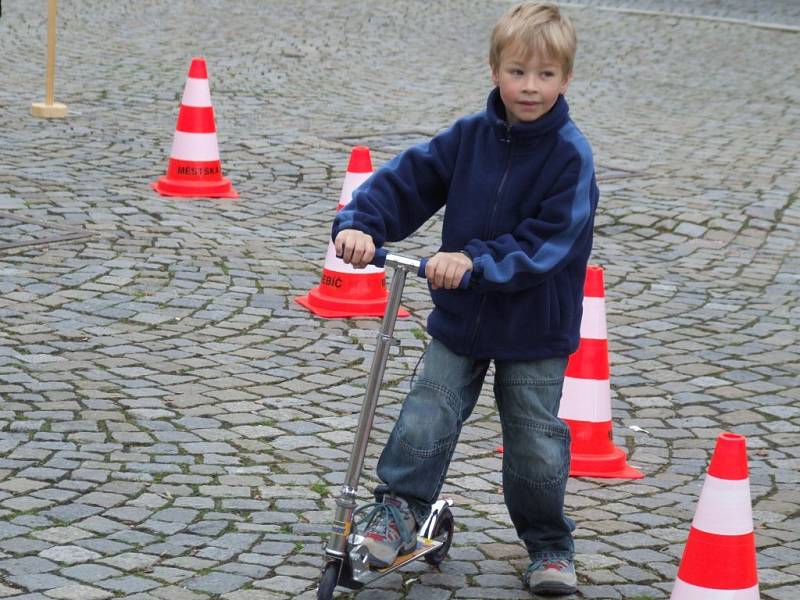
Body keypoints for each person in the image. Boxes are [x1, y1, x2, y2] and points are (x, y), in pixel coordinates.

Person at [332, 2, 597, 595]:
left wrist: (474, 260)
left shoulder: (570, 157)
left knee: (533, 440)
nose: (530, 87)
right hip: (462, 317)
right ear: (494, 68)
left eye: (546, 75)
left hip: (534, 325)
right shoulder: (468, 137)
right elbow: (409, 180)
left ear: (567, 78)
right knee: (428, 410)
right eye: (518, 71)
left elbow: (546, 244)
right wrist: (362, 224)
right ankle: (398, 510)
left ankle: (550, 545)